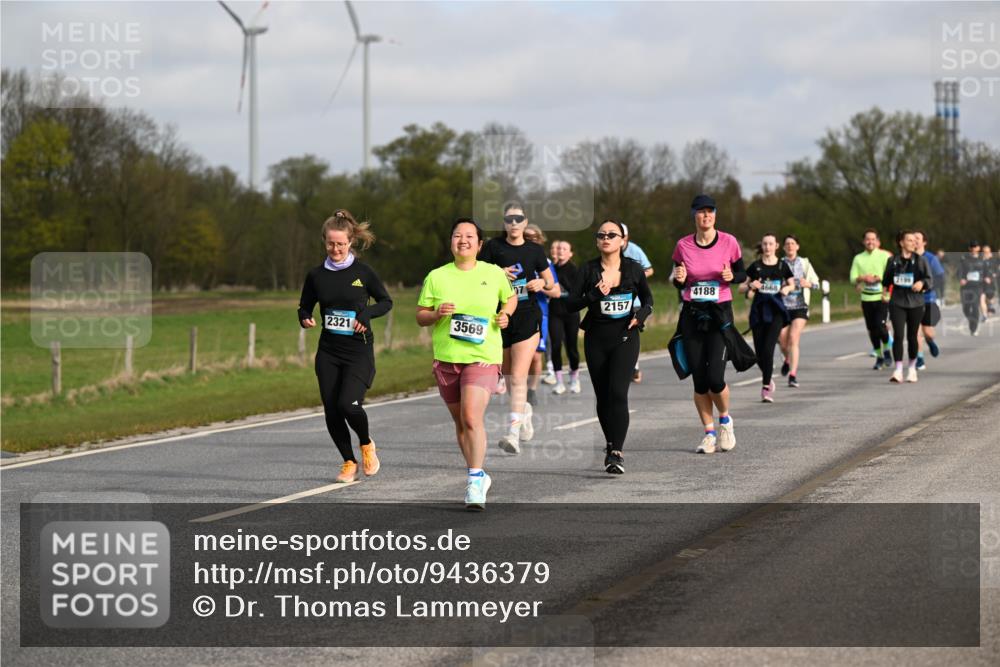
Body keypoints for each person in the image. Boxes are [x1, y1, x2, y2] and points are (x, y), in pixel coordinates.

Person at [416, 218, 517, 509]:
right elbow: (421, 315)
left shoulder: (493, 273)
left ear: (479, 244)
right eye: (458, 235)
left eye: (469, 236)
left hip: (483, 357)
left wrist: (505, 315)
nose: (463, 240)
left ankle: (474, 481)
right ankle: (480, 473)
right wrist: (436, 315)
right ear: (451, 242)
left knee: (472, 418)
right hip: (447, 358)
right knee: (461, 423)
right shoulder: (437, 276)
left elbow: (509, 299)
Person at [298, 209, 393, 483]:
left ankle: (366, 444)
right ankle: (348, 462)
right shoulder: (316, 275)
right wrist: (304, 316)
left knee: (348, 405)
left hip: (358, 352)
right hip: (328, 351)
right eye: (330, 243)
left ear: (350, 242)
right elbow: (305, 305)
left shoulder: (363, 273)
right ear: (324, 241)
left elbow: (386, 302)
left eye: (341, 244)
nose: (335, 249)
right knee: (331, 409)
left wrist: (366, 314)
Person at [564, 219, 653, 474]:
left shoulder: (633, 269)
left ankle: (617, 452)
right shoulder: (588, 270)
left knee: (617, 392)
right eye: (601, 234)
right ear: (597, 241)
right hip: (596, 338)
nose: (606, 238)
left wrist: (643, 314)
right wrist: (594, 295)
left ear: (622, 241)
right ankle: (610, 442)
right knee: (603, 396)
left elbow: (647, 298)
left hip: (625, 336)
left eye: (612, 234)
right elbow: (570, 304)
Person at [478, 203, 558, 454]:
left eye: (518, 218)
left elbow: (550, 281)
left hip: (527, 316)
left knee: (519, 376)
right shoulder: (493, 248)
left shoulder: (534, 250)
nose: (513, 223)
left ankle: (512, 432)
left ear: (525, 222)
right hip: (500, 317)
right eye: (509, 218)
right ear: (504, 222)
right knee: (511, 377)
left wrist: (538, 282)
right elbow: (475, 276)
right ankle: (525, 411)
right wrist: (497, 272)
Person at [672, 194, 747, 454]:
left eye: (711, 212)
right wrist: (679, 279)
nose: (707, 216)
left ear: (715, 215)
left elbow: (742, 273)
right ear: (694, 215)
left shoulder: (729, 242)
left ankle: (725, 420)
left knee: (716, 377)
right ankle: (709, 433)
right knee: (699, 380)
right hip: (692, 314)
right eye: (702, 212)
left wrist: (732, 276)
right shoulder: (683, 246)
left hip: (719, 314)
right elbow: (678, 279)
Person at [741, 233, 795, 402]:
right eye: (765, 244)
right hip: (758, 313)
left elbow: (792, 283)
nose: (767, 247)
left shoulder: (782, 266)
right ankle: (768, 375)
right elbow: (741, 288)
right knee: (759, 353)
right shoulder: (755, 266)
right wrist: (751, 285)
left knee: (769, 349)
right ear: (762, 246)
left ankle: (765, 388)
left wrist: (787, 289)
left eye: (771, 244)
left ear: (776, 246)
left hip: (776, 312)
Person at [882, 230, 933, 383]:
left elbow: (929, 280)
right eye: (909, 240)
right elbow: (886, 281)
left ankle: (911, 369)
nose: (913, 243)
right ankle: (898, 370)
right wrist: (885, 293)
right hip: (897, 302)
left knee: (912, 337)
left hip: (916, 303)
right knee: (898, 336)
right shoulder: (892, 261)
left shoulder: (920, 261)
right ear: (901, 243)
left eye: (914, 240)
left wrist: (921, 283)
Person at [523, 224, 561, 406]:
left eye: (534, 238)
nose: (531, 241)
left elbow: (557, 292)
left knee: (536, 356)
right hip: (516, 311)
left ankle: (531, 390)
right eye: (527, 238)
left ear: (540, 240)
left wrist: (541, 285)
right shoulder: (512, 258)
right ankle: (515, 386)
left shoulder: (545, 263)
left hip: (540, 313)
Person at [778, 235, 820, 388]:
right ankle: (787, 359)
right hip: (782, 306)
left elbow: (817, 284)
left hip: (800, 306)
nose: (790, 246)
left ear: (797, 246)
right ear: (783, 247)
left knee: (794, 338)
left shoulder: (805, 264)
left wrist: (807, 284)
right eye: (787, 244)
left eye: (792, 243)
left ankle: (793, 374)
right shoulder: (779, 264)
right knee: (783, 341)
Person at [849, 228, 893, 369]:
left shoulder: (884, 256)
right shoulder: (858, 258)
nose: (870, 242)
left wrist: (880, 279)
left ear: (877, 241)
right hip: (866, 298)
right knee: (872, 329)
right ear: (863, 241)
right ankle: (879, 356)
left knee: (881, 326)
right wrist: (863, 278)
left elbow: (891, 275)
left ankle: (887, 349)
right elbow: (852, 278)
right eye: (868, 239)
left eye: (873, 239)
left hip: (882, 297)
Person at [548, 240, 582, 395]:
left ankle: (574, 378)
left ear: (570, 253)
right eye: (559, 248)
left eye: (564, 249)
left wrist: (559, 291)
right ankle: (559, 381)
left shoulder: (574, 270)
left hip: (571, 313)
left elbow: (576, 294)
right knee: (555, 345)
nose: (560, 251)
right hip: (554, 312)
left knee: (571, 347)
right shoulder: (550, 270)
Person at [621, 224, 654, 383]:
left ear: (626, 237)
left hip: (635, 301)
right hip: (617, 300)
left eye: (620, 236)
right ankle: (625, 365)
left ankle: (633, 366)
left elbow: (649, 269)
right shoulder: (608, 252)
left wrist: (636, 279)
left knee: (630, 333)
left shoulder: (635, 250)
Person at [914, 230, 944, 369]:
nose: (915, 240)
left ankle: (930, 341)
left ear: (924, 242)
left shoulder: (931, 258)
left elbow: (939, 278)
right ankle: (919, 358)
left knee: (928, 331)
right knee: (914, 331)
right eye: (912, 238)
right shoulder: (907, 258)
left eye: (918, 238)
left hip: (928, 299)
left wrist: (928, 288)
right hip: (911, 300)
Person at [958, 240, 987, 336]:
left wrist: (988, 278)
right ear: (969, 248)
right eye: (972, 247)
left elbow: (987, 271)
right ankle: (971, 320)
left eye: (976, 246)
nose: (974, 248)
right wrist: (961, 278)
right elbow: (959, 271)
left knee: (974, 306)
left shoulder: (982, 259)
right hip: (966, 287)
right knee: (966, 308)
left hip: (977, 287)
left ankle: (973, 328)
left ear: (979, 248)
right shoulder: (964, 258)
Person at [982, 244, 996, 317]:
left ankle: (990, 306)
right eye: (985, 251)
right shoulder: (981, 259)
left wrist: (993, 275)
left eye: (988, 251)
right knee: (983, 296)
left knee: (991, 295)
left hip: (991, 280)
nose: (986, 253)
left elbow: (995, 269)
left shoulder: (993, 260)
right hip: (982, 281)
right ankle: (986, 310)